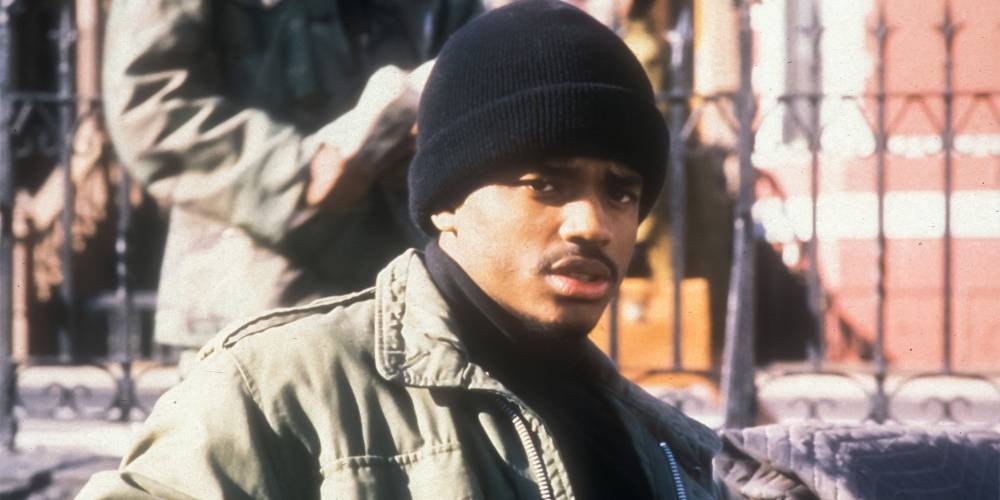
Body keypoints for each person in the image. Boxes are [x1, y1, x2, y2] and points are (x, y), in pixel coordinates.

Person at [79, 1, 721, 498]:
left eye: (621, 194)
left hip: (428, 268)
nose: (592, 224)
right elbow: (148, 102)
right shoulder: (257, 384)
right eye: (549, 184)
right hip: (261, 277)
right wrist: (302, 172)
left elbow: (474, 78)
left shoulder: (659, 443)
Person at [102, 0, 483, 371]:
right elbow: (148, 102)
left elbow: (475, 54)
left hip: (407, 296)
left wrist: (433, 135)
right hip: (255, 302)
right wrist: (298, 173)